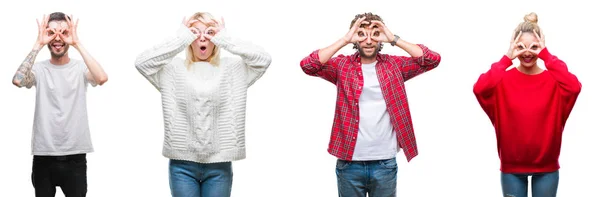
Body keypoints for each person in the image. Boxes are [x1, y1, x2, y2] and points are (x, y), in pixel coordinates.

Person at [299, 12, 441, 197]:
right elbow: (308, 65)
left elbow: (432, 60)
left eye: (374, 34)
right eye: (361, 34)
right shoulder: (342, 66)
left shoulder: (394, 65)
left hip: (384, 162)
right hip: (349, 163)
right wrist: (344, 39)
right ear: (354, 39)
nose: (368, 40)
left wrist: (393, 38)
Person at [134, 12, 271, 197]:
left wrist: (225, 37)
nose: (202, 38)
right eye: (195, 33)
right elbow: (142, 63)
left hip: (219, 166)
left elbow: (264, 60)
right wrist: (181, 37)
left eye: (209, 32)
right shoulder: (172, 69)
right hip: (182, 165)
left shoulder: (233, 69)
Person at [473, 12, 581, 197]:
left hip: (547, 167)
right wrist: (506, 58)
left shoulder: (554, 82)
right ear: (514, 47)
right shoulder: (502, 81)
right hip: (511, 168)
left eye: (534, 47)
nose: (528, 52)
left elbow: (574, 86)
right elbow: (479, 89)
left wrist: (547, 56)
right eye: (521, 47)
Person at [11, 12, 108, 197]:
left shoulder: (80, 68)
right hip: (43, 156)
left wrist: (77, 43)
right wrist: (38, 44)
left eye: (63, 32)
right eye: (52, 32)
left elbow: (102, 78)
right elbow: (18, 80)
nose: (58, 38)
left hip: (75, 157)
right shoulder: (39, 69)